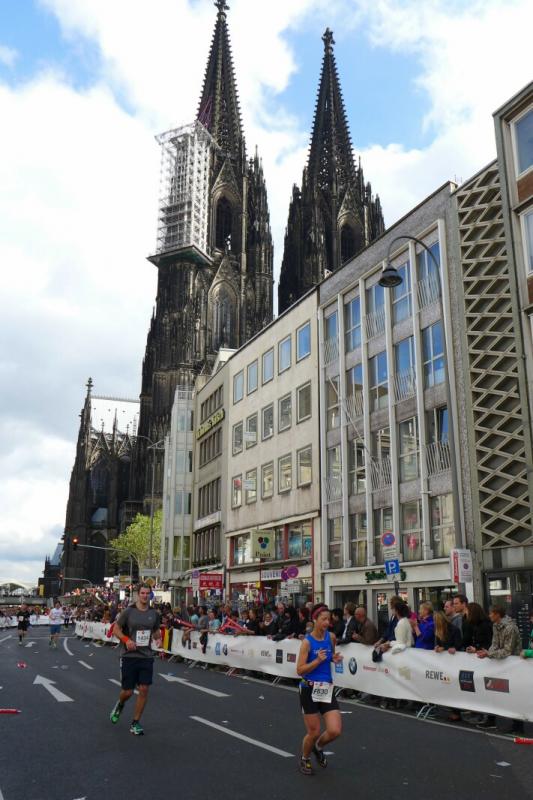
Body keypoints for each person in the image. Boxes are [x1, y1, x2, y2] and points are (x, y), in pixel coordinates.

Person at [109, 584, 162, 735]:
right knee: (128, 692)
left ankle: (135, 722)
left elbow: (155, 630)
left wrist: (158, 638)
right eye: (142, 593)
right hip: (129, 656)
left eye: (147, 593)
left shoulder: (154, 613)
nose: (145, 596)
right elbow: (116, 629)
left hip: (146, 656)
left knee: (144, 689)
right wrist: (126, 640)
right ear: (138, 595)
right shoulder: (128, 611)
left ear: (150, 595)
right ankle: (120, 704)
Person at [296, 604, 343, 776]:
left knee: (335, 730)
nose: (327, 622)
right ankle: (305, 758)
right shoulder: (307, 642)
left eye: (328, 619)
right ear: (314, 620)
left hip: (326, 688)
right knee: (314, 732)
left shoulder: (331, 637)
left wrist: (334, 659)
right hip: (309, 689)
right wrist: (317, 660)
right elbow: (300, 670)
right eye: (323, 619)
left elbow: (330, 656)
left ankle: (318, 747)